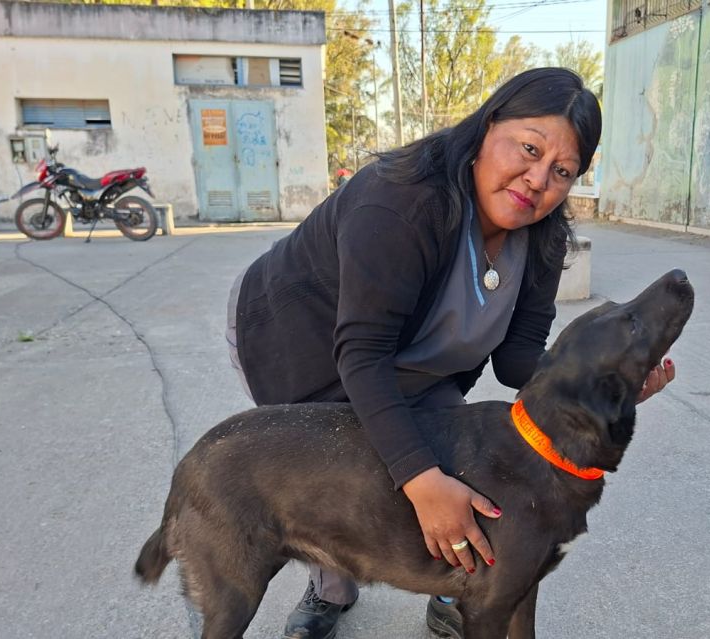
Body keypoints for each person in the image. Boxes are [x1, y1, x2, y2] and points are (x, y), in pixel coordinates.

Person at [225, 67, 676, 639]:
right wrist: (420, 479)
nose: (538, 179)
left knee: (456, 460)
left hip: (412, 361)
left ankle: (456, 582)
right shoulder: (401, 200)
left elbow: (517, 360)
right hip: (296, 342)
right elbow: (361, 356)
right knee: (343, 475)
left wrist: (605, 382)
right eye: (529, 148)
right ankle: (330, 585)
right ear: (488, 126)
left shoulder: (542, 235)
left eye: (562, 171)